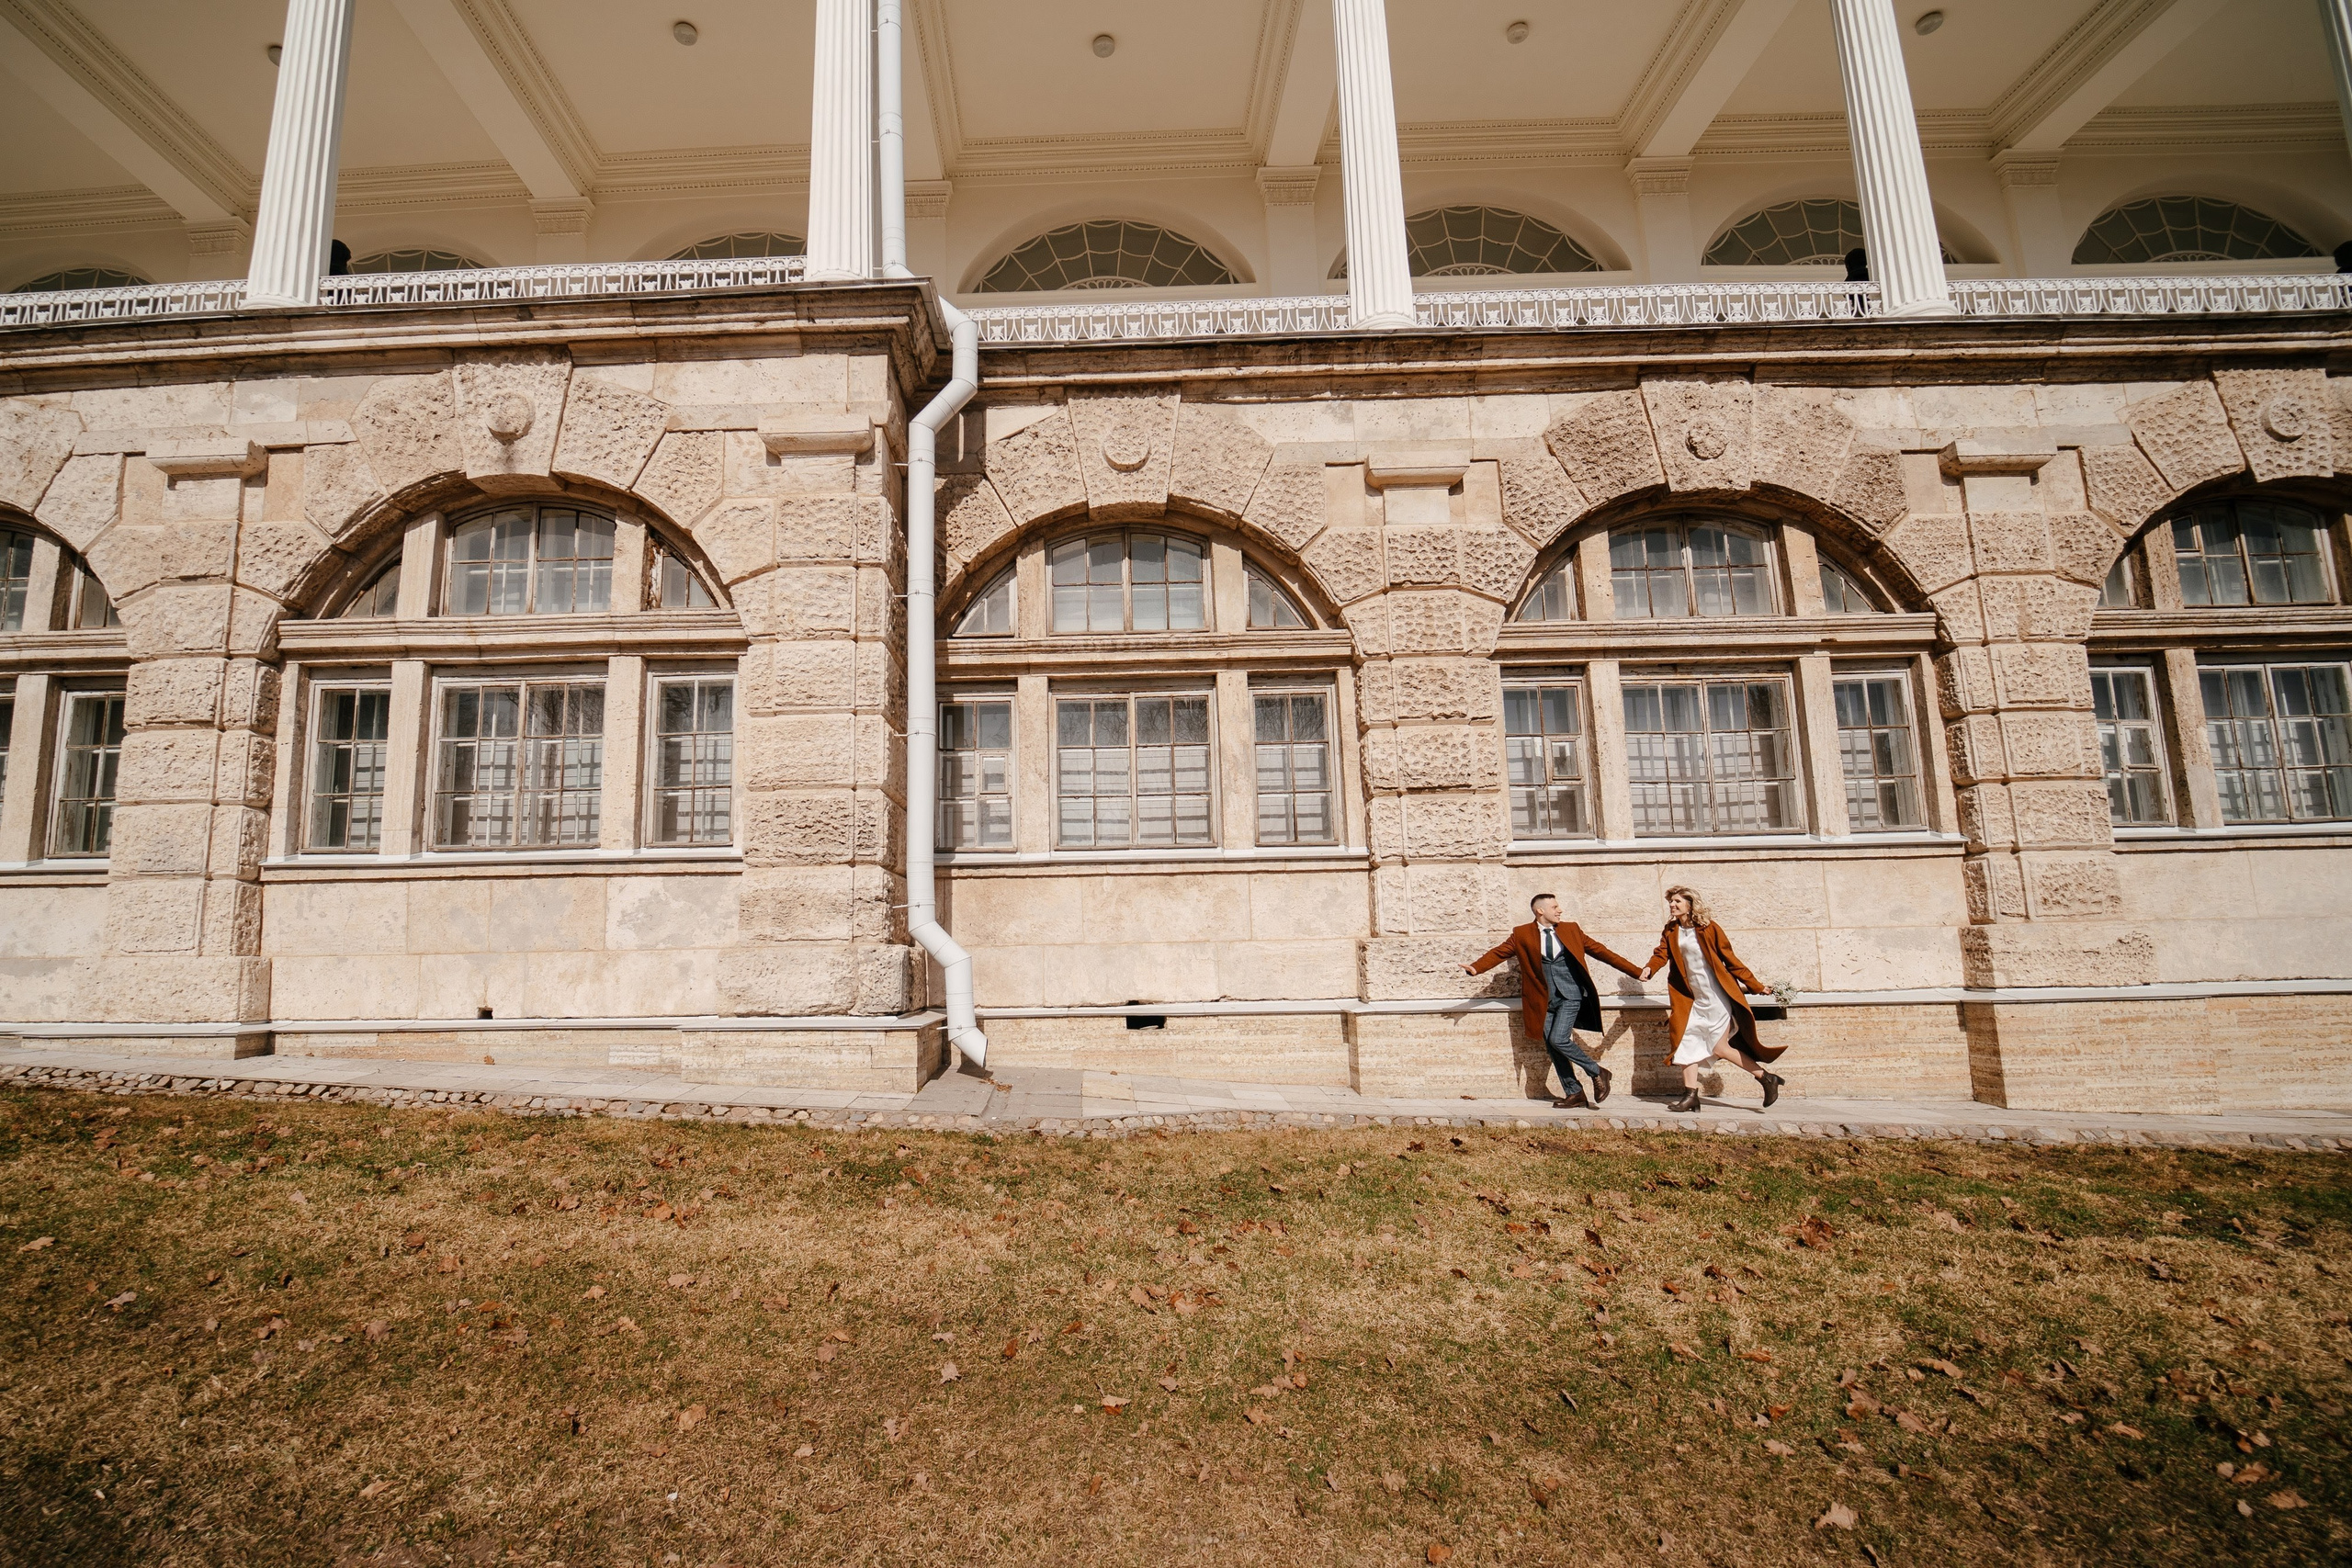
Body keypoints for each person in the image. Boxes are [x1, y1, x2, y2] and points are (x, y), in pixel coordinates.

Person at [1462, 894, 1643, 1110]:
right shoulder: (1522, 934)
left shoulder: (1571, 930)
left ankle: (1597, 1071)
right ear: (1540, 910)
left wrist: (1636, 972)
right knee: (1552, 1046)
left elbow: (1602, 952)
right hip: (1541, 999)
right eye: (1555, 906)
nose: (1560, 910)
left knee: (1559, 1039)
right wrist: (1475, 968)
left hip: (1570, 994)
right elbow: (1499, 952)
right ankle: (1574, 1092)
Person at [1641, 885, 1785, 1114]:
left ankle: (1767, 1078)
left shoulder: (1708, 928)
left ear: (1690, 904)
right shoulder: (1671, 930)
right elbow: (1661, 954)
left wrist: (1756, 986)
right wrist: (1650, 968)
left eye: (1677, 901)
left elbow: (1730, 959)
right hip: (1691, 999)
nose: (1672, 905)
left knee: (1719, 1047)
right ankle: (1691, 1096)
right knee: (1686, 1043)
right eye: (1671, 901)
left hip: (1716, 997)